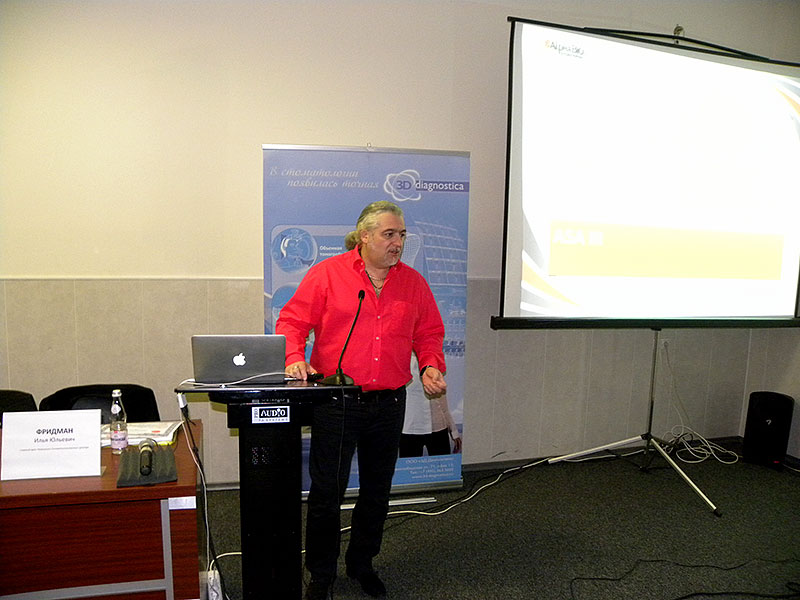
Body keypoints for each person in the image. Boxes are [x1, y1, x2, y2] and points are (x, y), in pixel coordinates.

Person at [276, 200, 447, 600]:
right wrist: (295, 356)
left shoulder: (413, 283)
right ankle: (321, 575)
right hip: (337, 401)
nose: (397, 243)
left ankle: (362, 564)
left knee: (377, 490)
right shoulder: (328, 274)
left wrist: (430, 365)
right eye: (389, 234)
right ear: (364, 236)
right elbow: (292, 322)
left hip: (389, 403)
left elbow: (429, 332)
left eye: (401, 235)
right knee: (327, 492)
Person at [400, 355, 462, 457]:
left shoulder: (432, 361)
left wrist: (454, 431)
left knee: (442, 465)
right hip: (409, 429)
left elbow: (443, 403)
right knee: (409, 466)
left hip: (438, 428)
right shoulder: (401, 362)